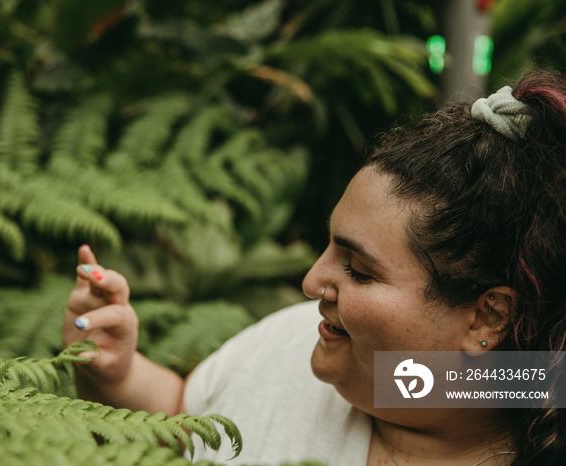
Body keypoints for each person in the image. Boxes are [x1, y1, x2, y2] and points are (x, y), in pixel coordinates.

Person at [63, 69, 566, 466]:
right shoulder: (295, 339)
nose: (310, 282)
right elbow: (184, 415)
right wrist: (115, 369)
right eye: (330, 246)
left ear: (489, 316)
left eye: (360, 271)